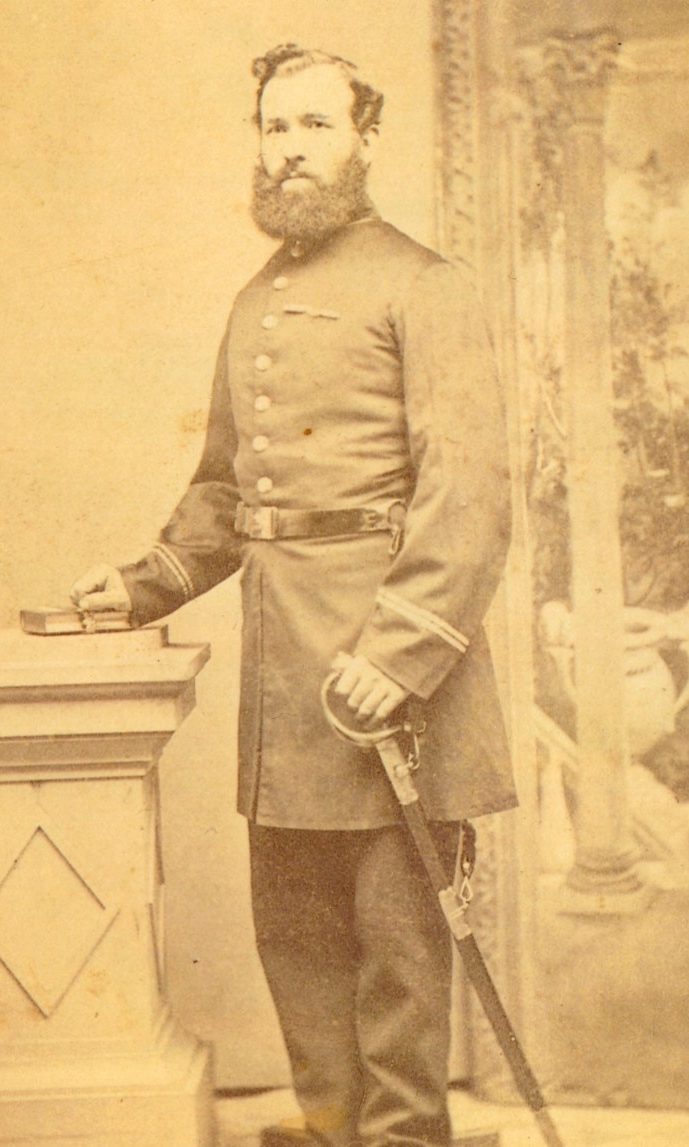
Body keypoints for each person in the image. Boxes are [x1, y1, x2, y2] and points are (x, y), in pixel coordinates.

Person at [71, 44, 517, 1147]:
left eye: (314, 127)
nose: (290, 151)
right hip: (287, 683)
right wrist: (140, 587)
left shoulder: (424, 284)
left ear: (364, 138)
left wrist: (399, 651)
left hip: (386, 677)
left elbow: (469, 495)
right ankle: (331, 1129)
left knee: (397, 942)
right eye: (274, 128)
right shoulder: (253, 298)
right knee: (298, 932)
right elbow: (226, 490)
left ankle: (403, 1137)